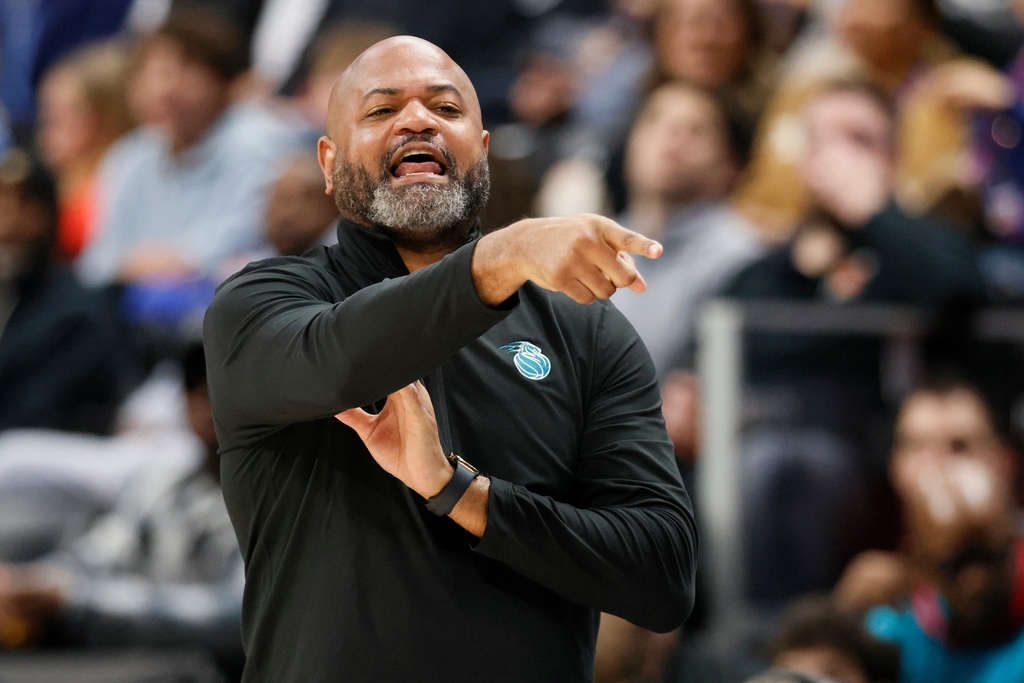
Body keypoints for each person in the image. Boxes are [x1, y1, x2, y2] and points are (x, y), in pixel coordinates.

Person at [203, 35, 698, 682]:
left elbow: (661, 574)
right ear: (328, 162)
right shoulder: (262, 303)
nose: (418, 120)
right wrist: (498, 257)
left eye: (446, 108)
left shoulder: (585, 332)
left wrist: (460, 492)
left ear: (483, 152)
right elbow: (337, 362)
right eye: (382, 111)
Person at [723, 80, 981, 604]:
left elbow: (957, 288)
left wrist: (872, 213)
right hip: (760, 446)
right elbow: (736, 338)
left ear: (893, 158)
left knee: (789, 468)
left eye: (860, 141)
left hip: (872, 453)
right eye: (825, 141)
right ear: (803, 161)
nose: (841, 157)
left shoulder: (921, 247)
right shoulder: (768, 268)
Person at [0, 342, 244, 673]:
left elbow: (236, 616)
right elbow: (97, 556)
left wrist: (73, 597)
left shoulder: (278, 499)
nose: (205, 410)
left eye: (220, 392)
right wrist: (32, 584)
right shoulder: (165, 484)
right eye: (196, 393)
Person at [77, 7, 299, 286]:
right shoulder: (130, 155)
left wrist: (176, 263)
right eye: (152, 72)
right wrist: (139, 266)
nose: (164, 88)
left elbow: (242, 245)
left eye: (183, 69)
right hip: (129, 309)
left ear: (223, 80)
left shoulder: (259, 140)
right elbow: (97, 261)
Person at [0, 148, 134, 434]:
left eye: (19, 208)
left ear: (46, 216)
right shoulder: (11, 298)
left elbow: (35, 416)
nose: (7, 224)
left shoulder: (77, 311)